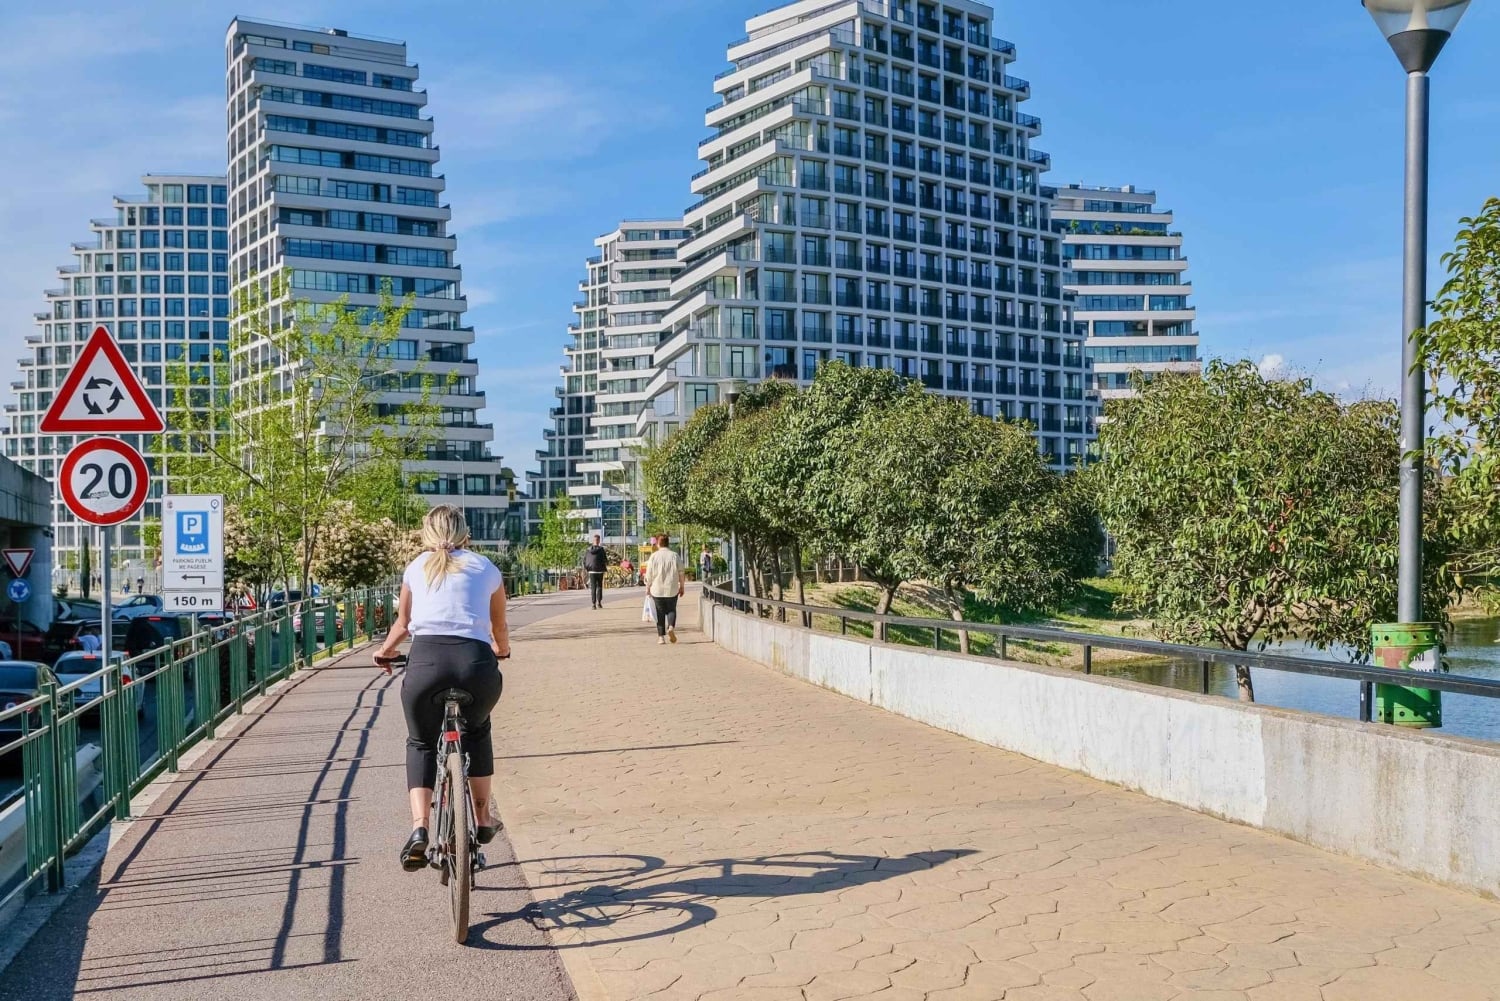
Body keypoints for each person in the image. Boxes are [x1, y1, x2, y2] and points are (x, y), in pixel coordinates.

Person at [373, 505, 511, 872]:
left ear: (426, 534)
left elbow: (403, 624)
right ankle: (482, 821)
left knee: (420, 741)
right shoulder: (487, 568)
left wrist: (384, 653)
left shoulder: (415, 568)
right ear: (466, 534)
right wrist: (503, 650)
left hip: (426, 666)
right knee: (478, 730)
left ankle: (420, 830)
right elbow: (499, 627)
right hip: (475, 666)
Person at [646, 533, 685, 645]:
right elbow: (681, 572)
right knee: (671, 609)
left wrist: (648, 587)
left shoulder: (654, 556)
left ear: (658, 543)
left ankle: (661, 638)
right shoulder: (674, 555)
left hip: (657, 589)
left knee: (660, 613)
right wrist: (682, 586)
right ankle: (671, 627)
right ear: (668, 543)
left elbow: (649, 575)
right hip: (672, 588)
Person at [583, 533, 608, 610]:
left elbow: (584, 560)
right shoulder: (601, 549)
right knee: (599, 586)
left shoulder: (588, 550)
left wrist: (587, 568)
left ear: (593, 541)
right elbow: (605, 560)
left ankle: (593, 604)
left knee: (593, 587)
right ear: (599, 540)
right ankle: (599, 603)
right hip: (600, 571)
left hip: (591, 571)